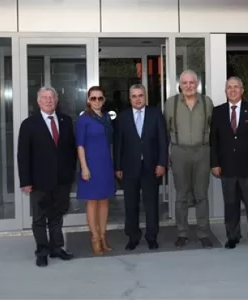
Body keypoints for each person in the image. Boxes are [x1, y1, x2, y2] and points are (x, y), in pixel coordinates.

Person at [17, 87, 76, 267]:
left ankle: (57, 248)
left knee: (57, 216)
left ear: (56, 101)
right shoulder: (29, 124)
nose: (49, 100)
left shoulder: (66, 121)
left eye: (52, 98)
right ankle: (42, 252)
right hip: (39, 181)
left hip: (61, 180)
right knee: (39, 218)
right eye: (45, 98)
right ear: (38, 101)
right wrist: (25, 181)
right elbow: (23, 155)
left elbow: (71, 150)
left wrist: (70, 173)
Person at [210, 77, 248, 251]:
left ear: (242, 90)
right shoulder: (218, 112)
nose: (233, 90)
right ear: (225, 91)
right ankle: (232, 236)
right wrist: (215, 163)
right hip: (227, 167)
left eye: (236, 87)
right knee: (230, 205)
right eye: (229, 87)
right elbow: (214, 140)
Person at [164, 70, 215, 249]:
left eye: (191, 82)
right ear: (180, 85)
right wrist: (166, 154)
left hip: (202, 151)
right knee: (181, 195)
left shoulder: (207, 102)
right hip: (179, 151)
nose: (188, 86)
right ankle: (182, 233)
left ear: (197, 83)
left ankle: (203, 233)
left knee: (201, 195)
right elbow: (165, 130)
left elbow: (213, 128)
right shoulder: (171, 103)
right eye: (184, 83)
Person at [114, 84, 168, 250]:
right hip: (129, 167)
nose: (137, 99)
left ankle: (152, 237)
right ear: (129, 98)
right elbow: (118, 144)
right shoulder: (123, 117)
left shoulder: (155, 113)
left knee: (151, 204)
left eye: (140, 95)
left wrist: (162, 163)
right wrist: (118, 167)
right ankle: (133, 237)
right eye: (134, 96)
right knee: (131, 204)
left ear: (145, 97)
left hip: (151, 167)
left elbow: (163, 140)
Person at [76, 86, 116, 256]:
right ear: (88, 100)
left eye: (100, 98)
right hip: (91, 164)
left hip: (105, 164)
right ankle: (95, 237)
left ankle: (103, 235)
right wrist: (84, 167)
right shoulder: (83, 119)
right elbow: (80, 145)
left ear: (104, 100)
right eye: (93, 98)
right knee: (92, 201)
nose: (97, 101)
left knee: (104, 201)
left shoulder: (107, 118)